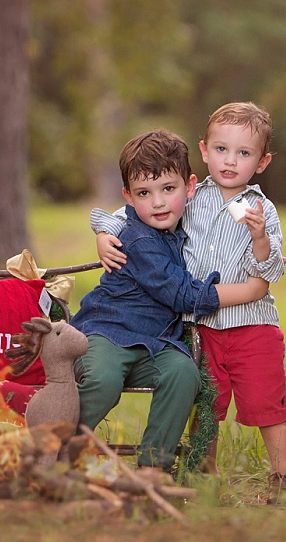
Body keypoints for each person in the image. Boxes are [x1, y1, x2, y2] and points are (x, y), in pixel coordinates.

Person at [92, 102, 286, 501]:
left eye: (244, 154)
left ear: (263, 161)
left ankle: (282, 478)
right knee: (206, 404)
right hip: (200, 326)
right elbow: (133, 212)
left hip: (252, 324)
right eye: (222, 150)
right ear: (204, 151)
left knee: (267, 403)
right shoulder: (189, 197)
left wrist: (260, 239)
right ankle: (205, 471)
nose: (230, 161)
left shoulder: (262, 210)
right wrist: (104, 231)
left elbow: (269, 271)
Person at [71, 129, 268, 473]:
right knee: (104, 381)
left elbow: (220, 235)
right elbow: (182, 294)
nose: (159, 202)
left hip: (155, 342)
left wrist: (263, 254)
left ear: (189, 188)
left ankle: (154, 467)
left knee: (182, 373)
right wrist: (251, 290)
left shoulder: (183, 221)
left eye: (168, 189)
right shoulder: (139, 239)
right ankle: (55, 443)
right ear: (129, 198)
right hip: (108, 332)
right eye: (145, 193)